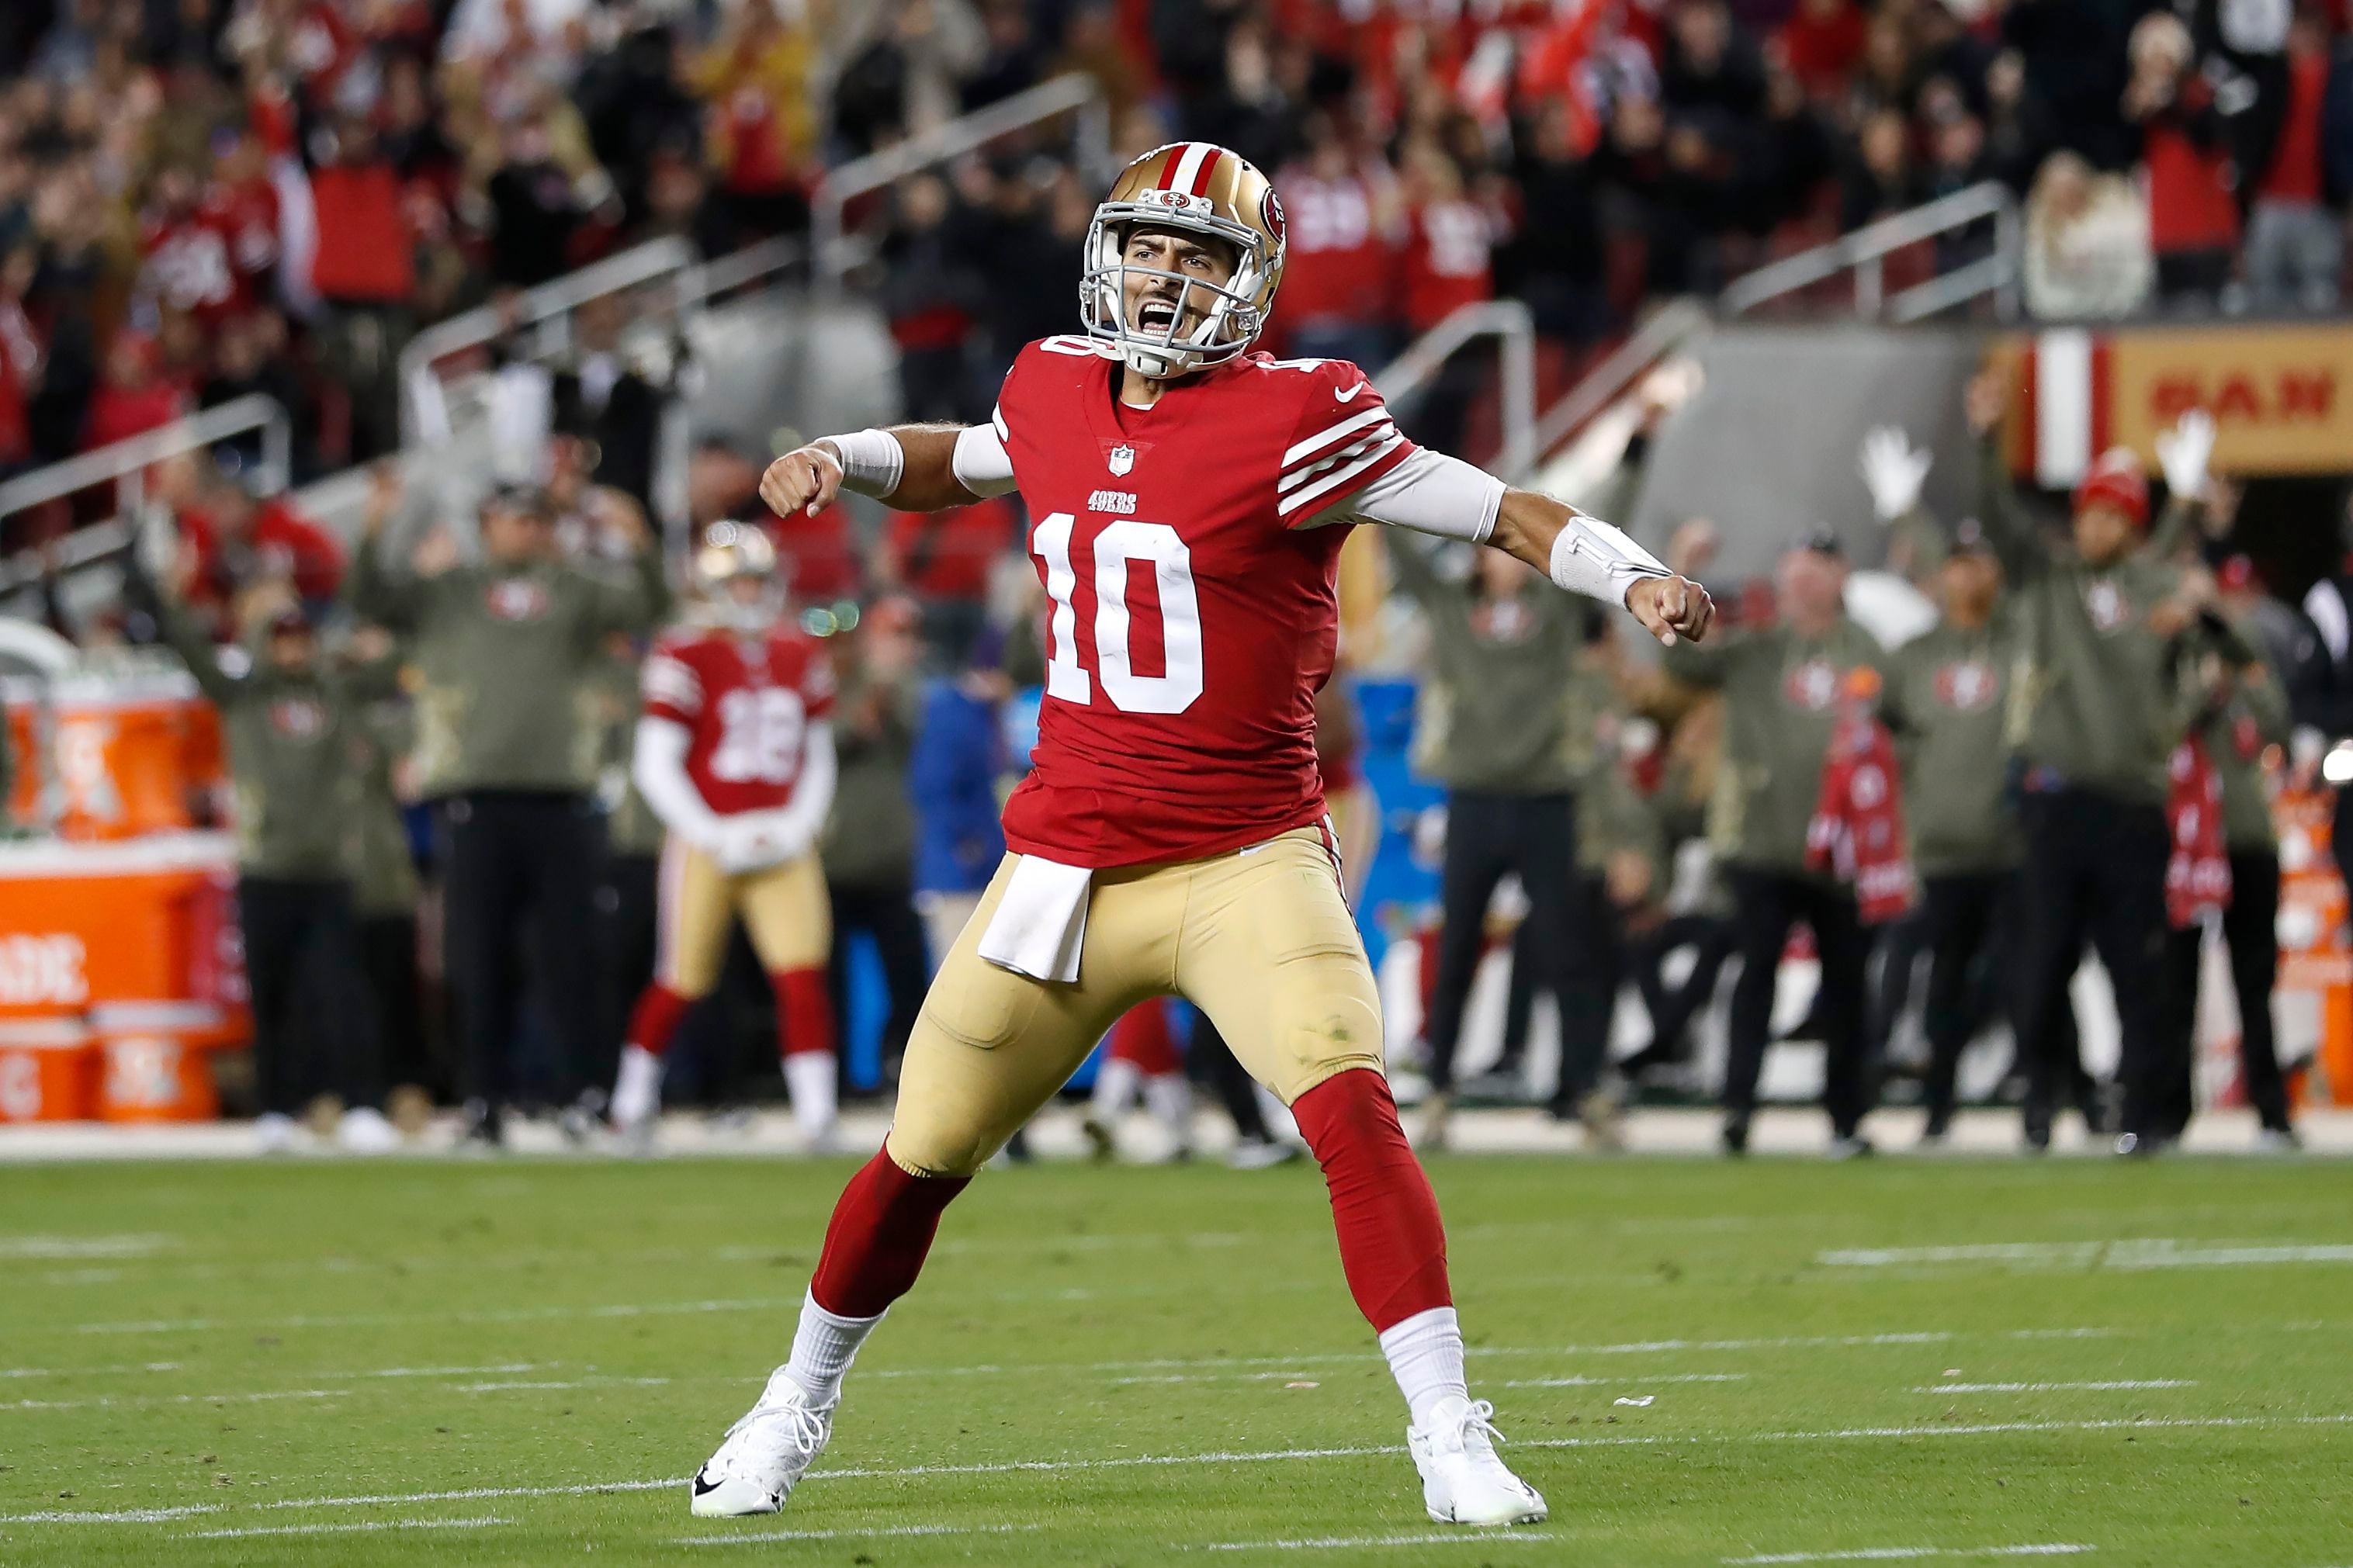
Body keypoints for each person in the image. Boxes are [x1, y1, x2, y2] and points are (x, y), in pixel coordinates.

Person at [682, 140, 1713, 1528]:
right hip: (1066, 866)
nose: (1166, 276)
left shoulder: (1305, 415)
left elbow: (1494, 508)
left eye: (1201, 255)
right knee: (918, 1152)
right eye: (1149, 247)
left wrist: (1631, 574)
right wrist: (842, 458)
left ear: (1255, 279)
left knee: (1352, 1107)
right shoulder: (1050, 381)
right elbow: (967, 462)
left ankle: (1448, 1430)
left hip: (1244, 858)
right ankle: (787, 1406)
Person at [345, 469, 670, 1147]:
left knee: (573, 958)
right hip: (475, 796)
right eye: (517, 518)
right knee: (477, 959)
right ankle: (482, 1103)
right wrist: (376, 526)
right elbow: (370, 600)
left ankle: (585, 1095)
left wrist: (640, 542)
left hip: (563, 795)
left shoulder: (575, 589)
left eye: (538, 519)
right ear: (489, 524)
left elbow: (647, 609)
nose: (530, 529)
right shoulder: (451, 591)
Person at [1965, 369, 2239, 1154]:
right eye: (2085, 509)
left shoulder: (2155, 580)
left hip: (2129, 803)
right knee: (2041, 959)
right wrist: (1986, 443)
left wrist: (2187, 508)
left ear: (2128, 523)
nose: (2089, 524)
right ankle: (2041, 1097)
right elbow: (2001, 522)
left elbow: (2169, 575)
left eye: (2106, 512)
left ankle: (2146, 1113)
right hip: (2054, 800)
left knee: (2135, 967)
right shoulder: (2049, 581)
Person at [144, 561, 397, 1155]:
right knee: (273, 995)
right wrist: (172, 599)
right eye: (280, 637)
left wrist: (356, 631)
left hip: (328, 868)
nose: (290, 648)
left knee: (343, 995)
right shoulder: (245, 694)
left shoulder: (336, 690)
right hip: (264, 867)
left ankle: (361, 1103)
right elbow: (190, 649)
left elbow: (391, 662)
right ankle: (278, 1108)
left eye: (297, 637)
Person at [610, 523, 840, 1151]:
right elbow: (654, 764)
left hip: (782, 837)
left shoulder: (798, 651)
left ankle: (817, 1115)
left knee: (801, 975)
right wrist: (710, 832)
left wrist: (798, 824)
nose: (749, 591)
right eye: (737, 580)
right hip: (707, 841)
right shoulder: (684, 652)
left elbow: (818, 755)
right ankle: (631, 1104)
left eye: (758, 579)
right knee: (681, 977)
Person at [1662, 521, 1886, 1158]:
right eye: (1795, 569)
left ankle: (1847, 1115)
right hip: (1763, 839)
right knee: (1754, 974)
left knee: (1847, 982)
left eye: (1815, 569)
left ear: (1841, 577)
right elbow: (1680, 659)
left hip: (1841, 851)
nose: (1802, 580)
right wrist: (1677, 570)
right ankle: (1737, 1106)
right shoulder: (1759, 648)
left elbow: (1904, 732)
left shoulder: (1868, 651)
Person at [1384, 530, 1600, 1144]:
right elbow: (1400, 548)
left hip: (1546, 800)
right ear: (1478, 556)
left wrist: (1635, 452)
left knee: (1565, 952)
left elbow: (1599, 531)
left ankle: (1588, 1093)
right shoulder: (1453, 607)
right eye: (1495, 552)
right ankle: (1439, 1092)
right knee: (1456, 952)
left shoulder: (1556, 610)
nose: (1507, 565)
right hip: (1475, 799)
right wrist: (1365, 473)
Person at [1863, 430, 2029, 1142]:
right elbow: (1882, 730)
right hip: (1939, 847)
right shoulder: (1916, 653)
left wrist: (1910, 517)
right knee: (1941, 986)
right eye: (1955, 566)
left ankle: (2055, 1099)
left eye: (1975, 564)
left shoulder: (2019, 636)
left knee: (2034, 978)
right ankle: (1936, 1109)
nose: (1964, 576)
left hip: (2014, 845)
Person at [2160, 601, 2299, 1148]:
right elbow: (2162, 732)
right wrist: (2198, 688)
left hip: (2245, 842)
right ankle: (2169, 1111)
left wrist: (2240, 662)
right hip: (2187, 850)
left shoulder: (2248, 685)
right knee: (2176, 983)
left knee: (2255, 981)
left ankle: (2272, 1111)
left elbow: (2278, 727)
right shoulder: (2168, 682)